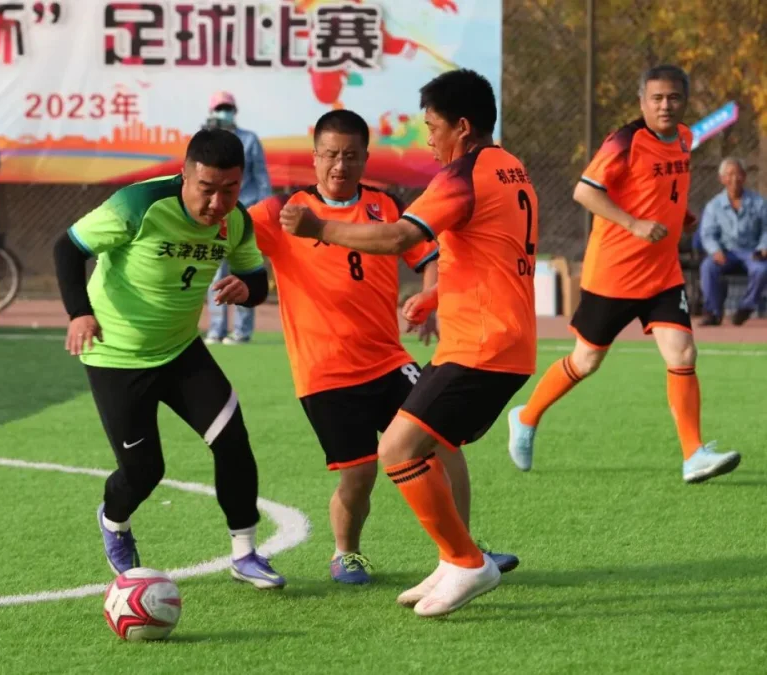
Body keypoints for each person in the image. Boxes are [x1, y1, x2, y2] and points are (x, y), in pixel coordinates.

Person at [280, 70, 537, 617]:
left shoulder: (463, 175)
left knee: (397, 449)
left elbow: (401, 237)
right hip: (495, 341)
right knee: (424, 446)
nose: (428, 139)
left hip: (481, 347)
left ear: (462, 127)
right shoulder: (510, 167)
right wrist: (436, 295)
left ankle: (466, 561)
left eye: (432, 127)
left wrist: (319, 229)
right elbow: (495, 256)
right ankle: (455, 557)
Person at [53, 128, 285, 589]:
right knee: (144, 472)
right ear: (185, 175)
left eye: (230, 190)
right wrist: (79, 313)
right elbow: (68, 248)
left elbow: (256, 279)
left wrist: (248, 289)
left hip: (181, 352)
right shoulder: (139, 205)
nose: (217, 203)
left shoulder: (237, 220)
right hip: (117, 356)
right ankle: (114, 521)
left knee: (232, 442)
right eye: (207, 189)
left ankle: (244, 553)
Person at [507, 65, 742, 484]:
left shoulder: (684, 138)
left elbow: (660, 187)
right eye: (657, 98)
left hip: (662, 274)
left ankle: (693, 455)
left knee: (683, 354)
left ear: (685, 101)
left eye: (673, 97)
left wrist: (681, 213)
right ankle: (526, 417)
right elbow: (584, 191)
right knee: (586, 361)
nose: (665, 105)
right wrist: (634, 224)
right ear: (642, 102)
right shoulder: (624, 141)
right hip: (614, 274)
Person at [203, 91, 273, 345]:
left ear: (235, 111)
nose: (224, 112)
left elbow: (262, 178)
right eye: (220, 108)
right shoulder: (205, 141)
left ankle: (242, 332)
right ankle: (216, 329)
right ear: (211, 112)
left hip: (246, 215)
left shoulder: (249, 140)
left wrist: (266, 211)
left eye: (228, 108)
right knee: (216, 274)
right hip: (216, 216)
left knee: (245, 272)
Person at [698, 157, 767, 326]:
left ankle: (746, 307)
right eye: (729, 175)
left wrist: (763, 247)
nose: (734, 179)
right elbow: (707, 234)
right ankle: (713, 312)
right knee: (707, 267)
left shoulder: (758, 202)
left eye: (738, 174)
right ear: (722, 179)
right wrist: (715, 250)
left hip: (751, 253)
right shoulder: (713, 206)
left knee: (761, 270)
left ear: (744, 177)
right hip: (725, 253)